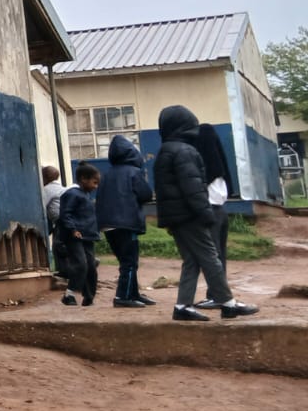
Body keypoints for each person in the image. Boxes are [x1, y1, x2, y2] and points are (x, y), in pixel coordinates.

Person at [152, 105, 258, 322]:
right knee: (211, 257)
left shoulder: (165, 151)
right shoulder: (185, 151)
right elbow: (193, 188)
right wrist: (206, 213)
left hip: (176, 217)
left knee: (192, 260)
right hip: (191, 215)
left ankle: (183, 306)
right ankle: (228, 304)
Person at [94, 135, 155, 307]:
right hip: (126, 224)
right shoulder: (133, 172)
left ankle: (133, 294)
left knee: (125, 261)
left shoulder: (106, 175)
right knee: (130, 262)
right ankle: (123, 297)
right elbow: (146, 195)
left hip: (107, 225)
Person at [194, 123, 236, 310]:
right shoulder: (220, 170)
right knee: (219, 255)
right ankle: (219, 294)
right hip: (221, 211)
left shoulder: (206, 170)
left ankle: (217, 295)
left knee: (212, 256)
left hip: (210, 211)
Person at [55, 164, 101, 306]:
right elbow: (65, 214)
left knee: (91, 266)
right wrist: (72, 229)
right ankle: (69, 294)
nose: (96, 186)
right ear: (83, 179)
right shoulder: (72, 194)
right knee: (81, 264)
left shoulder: (84, 195)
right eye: (94, 182)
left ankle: (89, 297)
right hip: (75, 236)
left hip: (88, 236)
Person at [41, 165, 66, 237]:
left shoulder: (47, 189)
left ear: (44, 178)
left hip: (60, 221)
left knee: (59, 240)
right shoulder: (61, 187)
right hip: (66, 219)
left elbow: (41, 205)